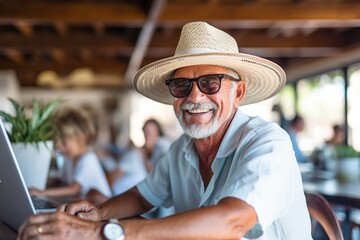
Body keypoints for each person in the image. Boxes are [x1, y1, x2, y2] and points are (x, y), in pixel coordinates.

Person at [19, 21, 311, 240]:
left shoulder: (268, 143)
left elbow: (231, 222)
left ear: (238, 93)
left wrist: (103, 232)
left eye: (210, 83)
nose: (194, 98)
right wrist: (100, 212)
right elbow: (142, 196)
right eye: (182, 85)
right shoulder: (181, 149)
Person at [29, 107, 112, 204]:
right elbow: (62, 181)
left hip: (102, 207)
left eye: (64, 143)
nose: (59, 148)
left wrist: (41, 192)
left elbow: (74, 189)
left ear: (81, 138)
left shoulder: (88, 159)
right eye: (58, 143)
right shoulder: (68, 158)